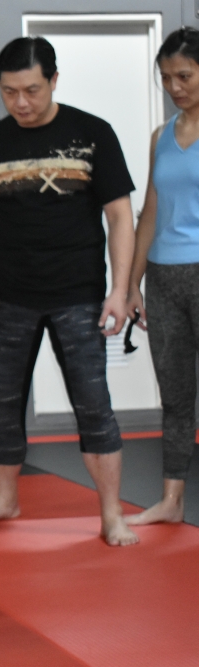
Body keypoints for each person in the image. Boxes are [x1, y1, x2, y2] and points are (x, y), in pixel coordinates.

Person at [0, 38, 139, 546]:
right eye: (10, 92)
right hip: (8, 293)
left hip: (79, 291)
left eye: (32, 90)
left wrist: (121, 289)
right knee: (0, 402)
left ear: (54, 80)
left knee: (93, 402)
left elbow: (120, 215)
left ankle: (111, 514)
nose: (21, 102)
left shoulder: (92, 133)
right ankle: (5, 498)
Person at [125, 28, 199, 526]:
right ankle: (171, 501)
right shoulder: (161, 136)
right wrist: (131, 283)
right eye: (166, 78)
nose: (174, 87)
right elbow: (150, 212)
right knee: (174, 396)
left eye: (185, 76)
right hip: (164, 277)